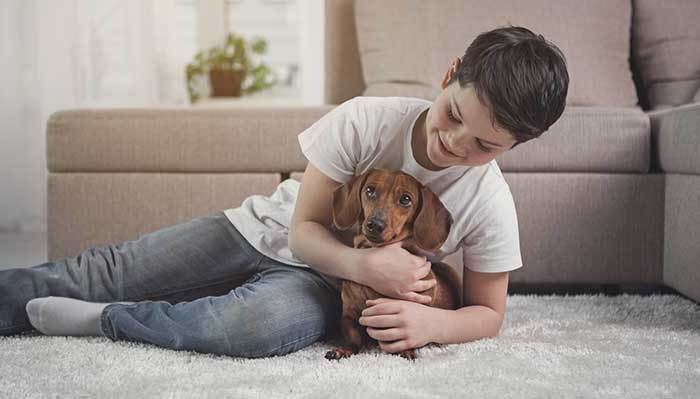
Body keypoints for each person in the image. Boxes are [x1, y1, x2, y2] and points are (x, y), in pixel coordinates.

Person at [0, 25, 568, 358]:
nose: (455, 144)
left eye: (485, 146)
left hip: (322, 290)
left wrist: (434, 324)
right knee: (109, 268)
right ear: (449, 76)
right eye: (453, 115)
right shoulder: (366, 120)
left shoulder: (488, 201)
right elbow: (303, 229)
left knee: (243, 328)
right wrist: (368, 268)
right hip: (264, 232)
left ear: (513, 147)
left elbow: (489, 315)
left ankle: (102, 321)